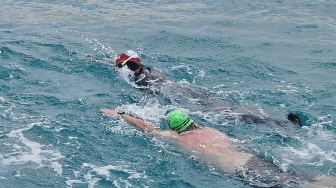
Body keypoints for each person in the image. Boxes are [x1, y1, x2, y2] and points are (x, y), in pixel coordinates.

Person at [101, 108, 336, 188]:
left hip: (242, 171)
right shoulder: (212, 130)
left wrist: (121, 114)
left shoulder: (178, 139)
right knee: (295, 175)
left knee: (296, 184)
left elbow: (147, 128)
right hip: (253, 159)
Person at [114, 51, 306, 130]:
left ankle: (279, 125)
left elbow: (152, 96)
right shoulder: (149, 69)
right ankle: (279, 116)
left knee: (226, 113)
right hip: (187, 89)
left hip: (178, 95)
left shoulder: (140, 79)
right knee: (231, 107)